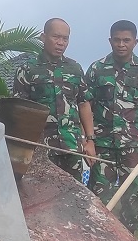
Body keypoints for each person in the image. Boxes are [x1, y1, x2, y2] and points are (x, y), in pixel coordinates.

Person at [81, 20, 138, 232]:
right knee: (98, 195)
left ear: (135, 42)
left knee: (132, 197)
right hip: (102, 145)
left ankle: (129, 240)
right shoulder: (97, 69)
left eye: (126, 40)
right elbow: (85, 105)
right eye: (117, 40)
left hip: (132, 146)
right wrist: (88, 140)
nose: (121, 44)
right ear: (110, 40)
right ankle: (96, 236)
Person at [11, 18, 91, 177]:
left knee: (74, 195)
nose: (61, 42)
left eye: (65, 38)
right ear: (43, 37)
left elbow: (83, 103)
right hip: (41, 148)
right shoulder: (28, 69)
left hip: (72, 146)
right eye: (56, 37)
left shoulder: (75, 68)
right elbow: (19, 110)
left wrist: (89, 140)